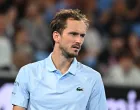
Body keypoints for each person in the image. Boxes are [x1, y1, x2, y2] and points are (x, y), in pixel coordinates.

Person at [11, 9, 107, 110]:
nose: (79, 40)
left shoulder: (93, 78)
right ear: (56, 36)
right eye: (73, 34)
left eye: (82, 35)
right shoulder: (28, 73)